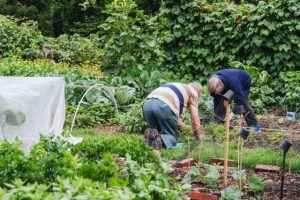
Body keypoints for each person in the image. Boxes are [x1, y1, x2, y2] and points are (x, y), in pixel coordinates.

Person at [142, 82, 204, 149]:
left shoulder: (178, 87)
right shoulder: (194, 93)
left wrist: (187, 128)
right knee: (170, 136)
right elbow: (195, 121)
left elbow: (176, 120)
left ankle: (150, 144)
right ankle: (160, 142)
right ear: (199, 94)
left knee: (154, 132)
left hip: (147, 105)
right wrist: (198, 136)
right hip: (163, 105)